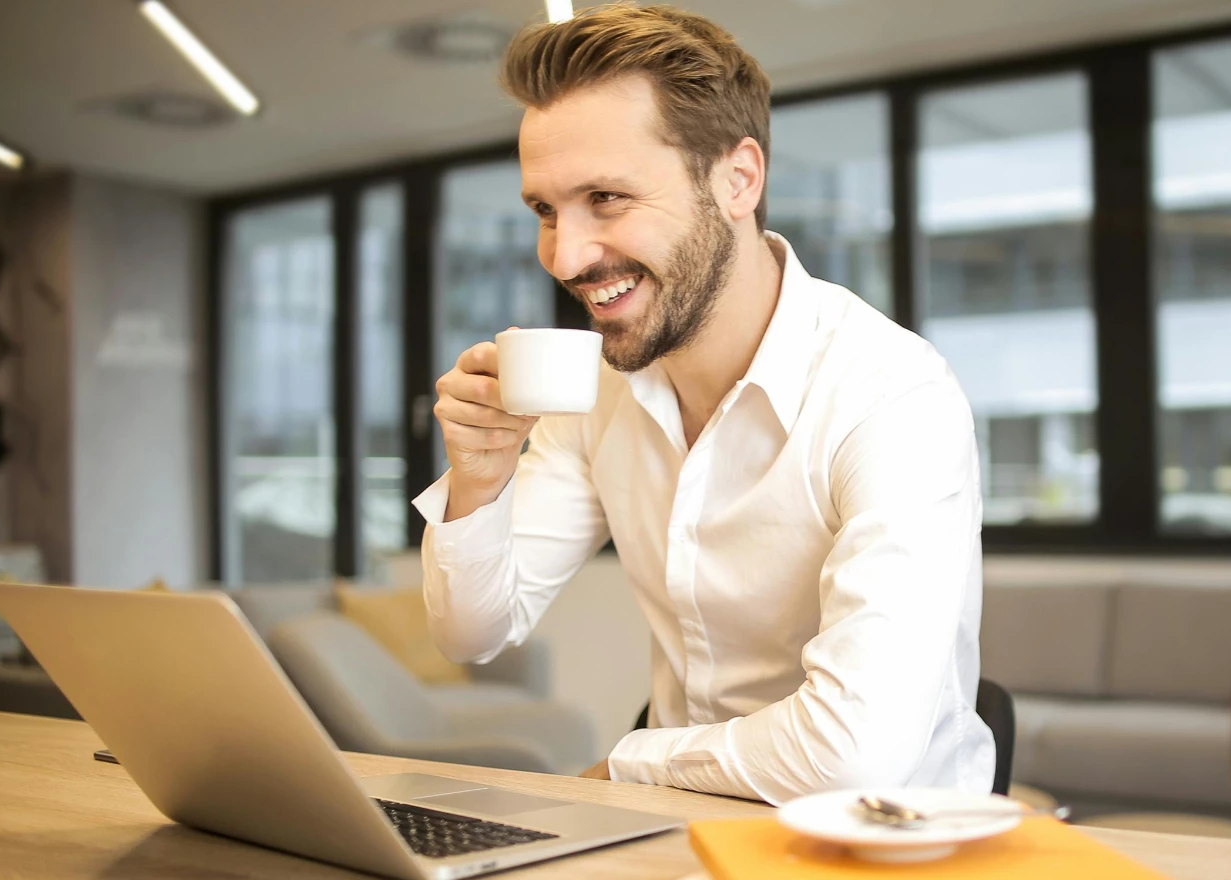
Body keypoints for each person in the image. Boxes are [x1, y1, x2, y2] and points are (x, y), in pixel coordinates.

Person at [416, 3, 993, 804]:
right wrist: (479, 480)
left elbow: (854, 755)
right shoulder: (601, 393)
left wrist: (629, 762)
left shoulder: (892, 394)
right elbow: (472, 632)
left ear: (738, 179)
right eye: (546, 211)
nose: (566, 255)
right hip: (679, 832)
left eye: (607, 199)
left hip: (879, 841)